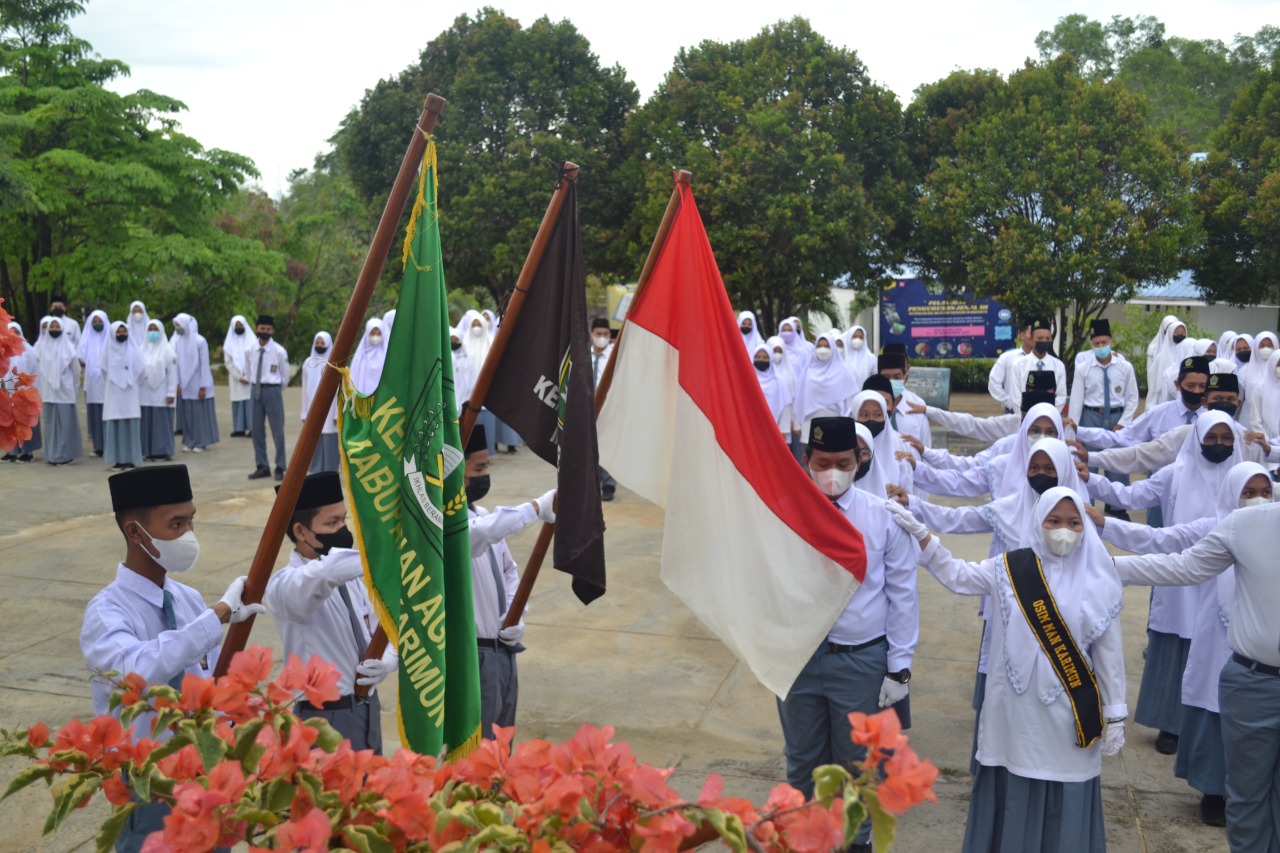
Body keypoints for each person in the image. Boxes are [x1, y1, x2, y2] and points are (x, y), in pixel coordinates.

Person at [889, 488, 1125, 853]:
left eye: (1074, 522)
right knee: (1016, 781)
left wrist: (1116, 713)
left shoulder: (1099, 579)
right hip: (1017, 714)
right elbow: (958, 575)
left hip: (1069, 717)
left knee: (1065, 789)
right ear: (1038, 523)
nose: (1064, 530)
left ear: (1085, 527)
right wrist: (924, 537)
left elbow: (1110, 654)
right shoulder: (1010, 568)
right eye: (1054, 521)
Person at [81, 464, 262, 852]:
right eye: (175, 525)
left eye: (191, 521)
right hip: (150, 787)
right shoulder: (107, 612)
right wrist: (217, 617)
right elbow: (136, 672)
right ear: (135, 532)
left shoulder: (187, 599)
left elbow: (211, 688)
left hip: (203, 776)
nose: (188, 535)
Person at [1091, 461, 1271, 827]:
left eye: (1265, 492)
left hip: (1264, 655)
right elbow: (1167, 549)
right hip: (1222, 642)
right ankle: (1214, 791)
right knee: (1214, 710)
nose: (1257, 501)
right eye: (1247, 493)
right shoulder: (1220, 527)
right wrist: (1107, 549)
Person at [779, 417, 917, 853]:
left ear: (859, 461)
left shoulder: (883, 518)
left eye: (843, 462)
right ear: (806, 461)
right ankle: (805, 841)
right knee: (803, 767)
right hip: (799, 659)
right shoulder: (782, 513)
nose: (832, 472)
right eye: (822, 463)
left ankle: (856, 846)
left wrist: (899, 667)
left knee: (858, 769)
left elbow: (903, 596)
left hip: (860, 662)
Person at [1081, 411, 1243, 756]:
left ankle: (1210, 730)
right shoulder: (1175, 474)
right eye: (1211, 438)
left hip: (1232, 582)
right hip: (1179, 575)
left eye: (1226, 439)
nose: (1218, 445)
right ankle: (1170, 725)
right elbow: (1130, 497)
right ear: (1197, 438)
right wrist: (1091, 483)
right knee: (1176, 645)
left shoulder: (1245, 481)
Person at [264, 472, 395, 752]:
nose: (342, 530)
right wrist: (388, 552)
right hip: (324, 719)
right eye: (332, 523)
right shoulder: (285, 584)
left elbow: (384, 627)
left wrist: (386, 662)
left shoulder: (352, 576)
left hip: (366, 708)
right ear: (301, 532)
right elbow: (321, 576)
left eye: (343, 520)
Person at [461, 425, 556, 737]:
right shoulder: (443, 526)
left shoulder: (481, 513)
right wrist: (536, 508)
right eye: (479, 468)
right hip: (471, 658)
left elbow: (508, 571)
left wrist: (516, 614)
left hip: (503, 651)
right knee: (478, 759)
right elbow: (484, 533)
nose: (485, 474)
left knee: (501, 751)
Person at [1070, 318, 1140, 518]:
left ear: (1112, 342)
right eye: (1096, 344)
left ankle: (1117, 507)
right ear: (1091, 345)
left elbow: (1133, 398)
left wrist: (1123, 423)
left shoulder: (1125, 367)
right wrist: (1074, 430)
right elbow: (1076, 400)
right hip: (1090, 416)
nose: (1101, 347)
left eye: (1104, 343)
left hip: (1117, 418)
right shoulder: (1083, 368)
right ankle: (1085, 507)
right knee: (1087, 462)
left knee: (1117, 463)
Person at [245, 314, 290, 481]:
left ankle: (280, 466)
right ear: (256, 329)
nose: (264, 331)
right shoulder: (250, 350)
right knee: (256, 430)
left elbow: (285, 376)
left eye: (268, 329)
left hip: (273, 391)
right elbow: (249, 370)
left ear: (273, 331)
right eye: (261, 328)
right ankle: (262, 466)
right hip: (255, 390)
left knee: (277, 430)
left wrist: (275, 389)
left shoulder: (279, 351)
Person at [35, 314, 83, 466]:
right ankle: (52, 455)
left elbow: (76, 371)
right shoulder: (41, 348)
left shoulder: (69, 348)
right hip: (49, 393)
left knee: (65, 425)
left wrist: (74, 389)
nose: (54, 329)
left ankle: (66, 456)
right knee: (50, 425)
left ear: (62, 329)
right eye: (52, 327)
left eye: (57, 326)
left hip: (65, 391)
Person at [794, 330, 856, 443]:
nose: (822, 349)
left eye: (827, 346)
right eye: (819, 346)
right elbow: (799, 398)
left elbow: (850, 402)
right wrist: (797, 423)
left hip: (836, 423)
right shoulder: (807, 371)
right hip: (810, 423)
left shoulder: (844, 372)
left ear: (833, 348)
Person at [100, 321, 145, 470]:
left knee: (130, 425)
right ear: (113, 334)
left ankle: (131, 459)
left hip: (130, 395)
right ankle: (118, 460)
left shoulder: (134, 350)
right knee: (116, 426)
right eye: (118, 332)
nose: (121, 334)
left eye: (124, 331)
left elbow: (141, 370)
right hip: (113, 395)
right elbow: (104, 371)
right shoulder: (107, 351)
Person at [171, 313, 218, 453]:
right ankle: (189, 441)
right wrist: (177, 384)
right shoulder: (178, 341)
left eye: (179, 325)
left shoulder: (200, 341)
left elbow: (204, 365)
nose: (177, 328)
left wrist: (203, 386)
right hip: (185, 385)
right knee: (187, 415)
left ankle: (201, 442)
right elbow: (177, 365)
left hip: (198, 383)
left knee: (199, 415)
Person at [138, 319, 178, 461]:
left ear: (161, 331)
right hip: (144, 392)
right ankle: (147, 451)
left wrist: (171, 392)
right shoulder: (141, 350)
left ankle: (162, 451)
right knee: (147, 422)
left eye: (155, 329)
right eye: (150, 329)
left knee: (161, 423)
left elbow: (173, 373)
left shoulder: (168, 351)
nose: (153, 332)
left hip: (162, 392)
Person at [1009, 317, 1068, 411]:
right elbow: (1015, 397)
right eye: (1040, 338)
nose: (1044, 341)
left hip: (1050, 418)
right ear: (1031, 339)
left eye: (1047, 338)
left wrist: (1049, 415)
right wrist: (1026, 417)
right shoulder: (1019, 365)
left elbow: (1061, 397)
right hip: (1025, 417)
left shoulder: (1058, 366)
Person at [300, 332, 339, 473]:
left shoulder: (334, 364)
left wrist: (336, 414)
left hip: (330, 410)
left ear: (328, 344)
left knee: (329, 439)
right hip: (312, 408)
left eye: (322, 343)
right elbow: (304, 390)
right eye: (317, 343)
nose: (319, 346)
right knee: (313, 439)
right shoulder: (307, 363)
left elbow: (339, 391)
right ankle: (316, 471)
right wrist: (304, 412)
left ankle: (330, 472)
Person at [3, 320, 41, 462]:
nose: (13, 334)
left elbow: (35, 371)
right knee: (9, 423)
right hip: (7, 392)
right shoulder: (4, 349)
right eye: (10, 331)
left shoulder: (29, 350)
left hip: (24, 393)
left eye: (16, 332)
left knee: (24, 423)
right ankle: (12, 451)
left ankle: (27, 451)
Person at [589, 318, 617, 501]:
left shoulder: (615, 355)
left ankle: (608, 484)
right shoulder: (583, 354)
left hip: (609, 406)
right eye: (598, 334)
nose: (601, 338)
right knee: (589, 447)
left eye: (605, 334)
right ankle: (591, 484)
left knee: (606, 445)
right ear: (591, 335)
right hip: (585, 407)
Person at [767, 335, 803, 464]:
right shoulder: (760, 373)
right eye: (774, 351)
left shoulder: (790, 373)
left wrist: (795, 422)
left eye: (779, 351)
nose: (777, 354)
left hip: (785, 425)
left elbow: (794, 398)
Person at [988, 318, 1034, 413]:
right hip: (1012, 411)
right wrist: (1010, 403)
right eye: (1031, 333)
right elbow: (994, 383)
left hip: (1037, 412)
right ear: (1022, 335)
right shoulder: (1007, 358)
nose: (1035, 337)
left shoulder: (1046, 361)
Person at [81, 309, 111, 457]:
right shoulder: (86, 339)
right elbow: (81, 356)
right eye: (94, 322)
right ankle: (98, 446)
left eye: (100, 322)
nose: (97, 324)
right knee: (95, 414)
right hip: (92, 383)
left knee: (107, 414)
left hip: (107, 384)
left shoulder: (111, 339)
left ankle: (110, 445)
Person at [754, 343, 795, 446]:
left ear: (770, 359)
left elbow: (786, 405)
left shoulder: (779, 380)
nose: (761, 360)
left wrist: (783, 429)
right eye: (758, 357)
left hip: (774, 430)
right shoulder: (747, 380)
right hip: (751, 429)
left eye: (764, 357)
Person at [223, 314, 255, 437]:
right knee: (238, 402)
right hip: (236, 378)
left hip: (249, 377)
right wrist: (239, 377)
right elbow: (228, 362)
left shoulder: (252, 341)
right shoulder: (228, 343)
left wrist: (248, 375)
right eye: (236, 325)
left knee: (249, 403)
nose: (239, 327)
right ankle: (239, 429)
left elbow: (254, 359)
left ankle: (252, 428)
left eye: (241, 325)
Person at [1147, 316, 1185, 409]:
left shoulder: (1187, 352)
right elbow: (1153, 382)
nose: (1179, 335)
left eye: (1182, 333)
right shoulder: (1160, 356)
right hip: (1163, 399)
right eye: (1176, 332)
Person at [350, 317, 387, 396]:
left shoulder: (387, 356)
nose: (375, 336)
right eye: (372, 333)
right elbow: (354, 378)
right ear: (367, 334)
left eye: (378, 333)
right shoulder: (359, 357)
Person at [842, 325, 877, 390]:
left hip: (864, 395)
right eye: (854, 336)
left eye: (861, 337)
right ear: (849, 338)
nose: (857, 339)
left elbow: (875, 377)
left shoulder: (871, 358)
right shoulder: (842, 356)